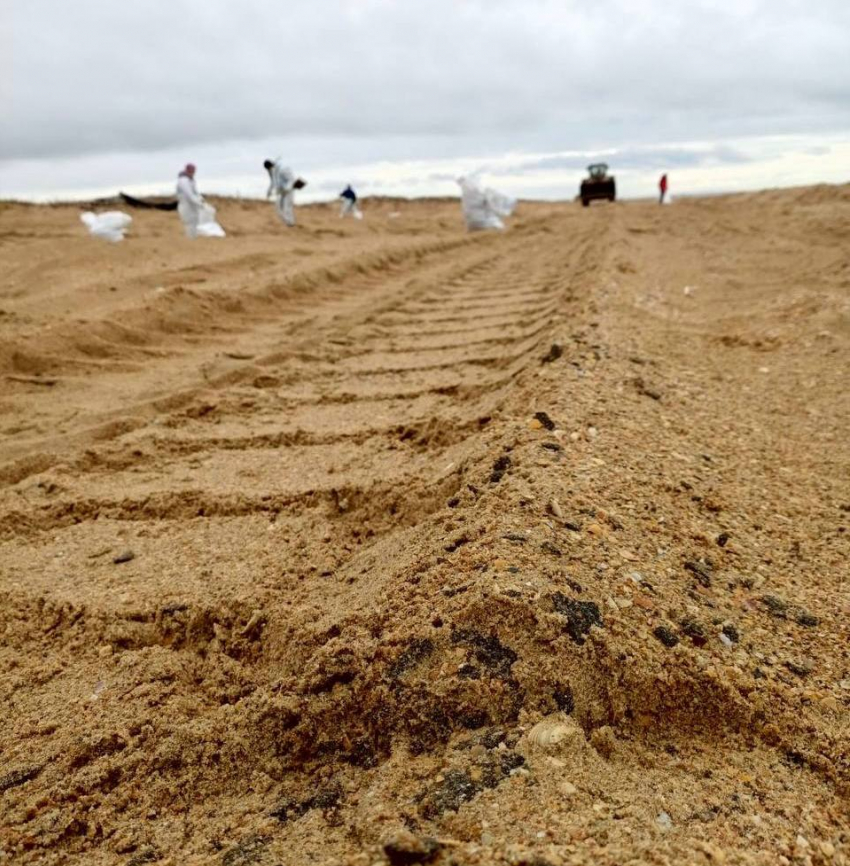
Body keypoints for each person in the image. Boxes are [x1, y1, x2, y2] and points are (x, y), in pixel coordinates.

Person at [264, 159, 302, 226]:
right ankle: (288, 223)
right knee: (278, 209)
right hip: (280, 192)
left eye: (268, 168)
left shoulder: (283, 168)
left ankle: (291, 224)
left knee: (287, 208)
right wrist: (269, 192)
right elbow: (273, 182)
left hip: (289, 191)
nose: (268, 170)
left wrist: (287, 188)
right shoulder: (272, 172)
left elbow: (291, 179)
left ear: (271, 166)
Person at [176, 163, 204, 238]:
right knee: (189, 222)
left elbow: (195, 192)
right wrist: (199, 204)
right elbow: (189, 195)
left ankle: (193, 238)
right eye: (192, 171)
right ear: (187, 170)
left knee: (195, 221)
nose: (193, 173)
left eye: (194, 171)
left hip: (192, 205)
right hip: (185, 205)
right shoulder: (183, 181)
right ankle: (190, 239)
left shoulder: (191, 180)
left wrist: (200, 199)